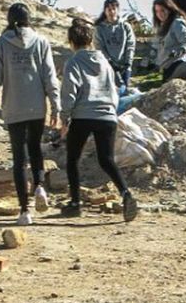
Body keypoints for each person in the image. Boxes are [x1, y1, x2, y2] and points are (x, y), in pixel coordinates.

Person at [0, 2, 60, 226]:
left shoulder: (1, 44)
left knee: (18, 159)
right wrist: (56, 107)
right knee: (35, 148)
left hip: (14, 107)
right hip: (37, 107)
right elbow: (50, 77)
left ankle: (24, 211)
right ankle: (40, 187)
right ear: (28, 19)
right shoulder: (41, 42)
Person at [58, 20, 139, 223]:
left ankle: (75, 204)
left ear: (71, 41)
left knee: (72, 159)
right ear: (91, 40)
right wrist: (111, 111)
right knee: (106, 159)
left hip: (83, 115)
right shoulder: (104, 62)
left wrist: (64, 118)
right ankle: (126, 193)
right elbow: (113, 89)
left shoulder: (73, 62)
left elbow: (69, 92)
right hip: (107, 116)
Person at [94, 0, 135, 91]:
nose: (111, 12)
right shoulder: (99, 29)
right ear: (105, 11)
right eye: (109, 9)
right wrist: (110, 63)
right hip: (108, 66)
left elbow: (130, 45)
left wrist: (128, 63)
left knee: (124, 90)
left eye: (114, 9)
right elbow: (99, 48)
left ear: (118, 10)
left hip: (124, 65)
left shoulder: (125, 26)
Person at [152, 0, 186, 83]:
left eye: (162, 10)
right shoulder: (162, 27)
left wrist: (180, 50)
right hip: (168, 66)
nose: (160, 14)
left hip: (181, 63)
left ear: (169, 10)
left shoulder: (177, 23)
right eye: (157, 11)